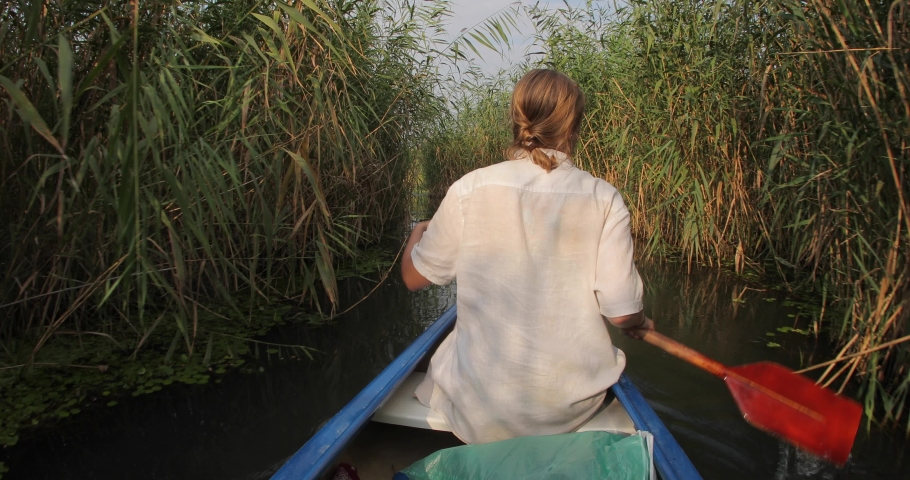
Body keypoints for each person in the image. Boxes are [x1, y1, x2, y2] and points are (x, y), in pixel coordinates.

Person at [400, 69, 654, 445]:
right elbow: (620, 312)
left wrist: (415, 235)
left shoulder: (471, 187)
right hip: (569, 407)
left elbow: (414, 278)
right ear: (573, 128)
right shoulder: (604, 198)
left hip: (480, 406)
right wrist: (640, 321)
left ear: (516, 119)